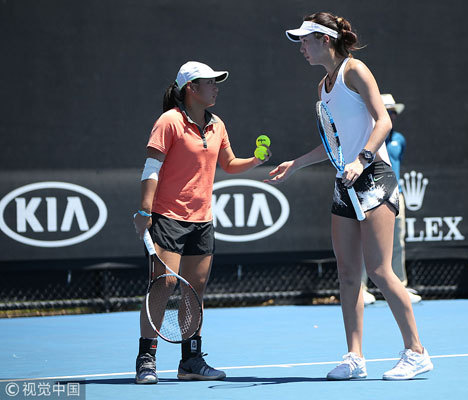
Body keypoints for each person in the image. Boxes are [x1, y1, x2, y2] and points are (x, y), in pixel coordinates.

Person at [267, 12, 433, 380]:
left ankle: (416, 351)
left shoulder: (355, 70)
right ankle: (355, 357)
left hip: (375, 176)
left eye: (306, 41)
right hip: (346, 181)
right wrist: (296, 163)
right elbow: (334, 144)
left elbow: (384, 121)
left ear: (325, 40)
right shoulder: (323, 87)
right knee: (347, 274)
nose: (301, 48)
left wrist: (363, 158)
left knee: (379, 270)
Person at [132, 61, 271, 384]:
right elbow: (150, 169)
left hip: (202, 220)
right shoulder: (169, 121)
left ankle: (190, 361)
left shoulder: (217, 124)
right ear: (191, 89)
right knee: (163, 285)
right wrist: (144, 212)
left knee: (195, 290)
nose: (216, 87)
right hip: (167, 217)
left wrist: (255, 160)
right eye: (210, 82)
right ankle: (146, 358)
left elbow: (229, 163)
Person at [361, 94, 421, 305]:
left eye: (394, 112)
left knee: (397, 241)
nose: (392, 116)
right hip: (370, 194)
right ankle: (361, 289)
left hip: (396, 195)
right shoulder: (368, 137)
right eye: (388, 111)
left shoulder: (399, 140)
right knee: (364, 242)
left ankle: (400, 288)